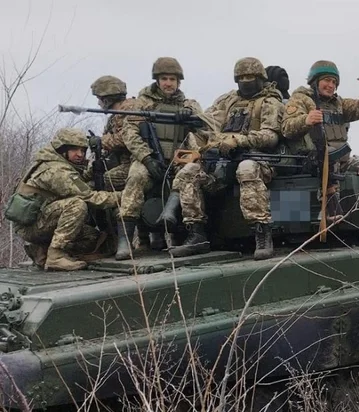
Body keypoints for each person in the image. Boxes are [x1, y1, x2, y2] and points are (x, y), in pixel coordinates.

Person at [166, 57, 284, 260]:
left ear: (260, 78)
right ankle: (196, 234)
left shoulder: (270, 102)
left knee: (246, 168)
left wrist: (238, 140)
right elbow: (208, 120)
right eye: (242, 78)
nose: (246, 81)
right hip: (222, 161)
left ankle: (262, 233)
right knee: (188, 172)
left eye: (250, 77)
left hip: (259, 160)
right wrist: (190, 114)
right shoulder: (228, 101)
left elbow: (270, 136)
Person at [280, 60, 359, 239]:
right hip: (313, 159)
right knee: (330, 160)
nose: (331, 85)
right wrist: (305, 120)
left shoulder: (338, 103)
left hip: (342, 158)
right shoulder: (301, 99)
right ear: (315, 81)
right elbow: (287, 128)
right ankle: (331, 214)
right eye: (327, 80)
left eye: (334, 82)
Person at [116, 57, 212, 260]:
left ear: (179, 82)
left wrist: (190, 117)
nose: (168, 83)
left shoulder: (189, 104)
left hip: (180, 158)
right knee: (136, 177)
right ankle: (125, 239)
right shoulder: (143, 104)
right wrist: (146, 158)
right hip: (149, 157)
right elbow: (129, 134)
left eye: (172, 79)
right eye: (164, 79)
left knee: (189, 174)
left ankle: (185, 226)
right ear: (157, 81)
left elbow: (206, 129)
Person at [8, 128, 121, 271]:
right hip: (31, 227)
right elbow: (89, 196)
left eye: (83, 150)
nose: (80, 154)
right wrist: (124, 196)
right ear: (62, 149)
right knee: (76, 205)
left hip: (37, 221)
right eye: (74, 150)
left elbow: (75, 182)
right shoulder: (55, 170)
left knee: (93, 238)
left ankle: (42, 250)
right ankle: (55, 256)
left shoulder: (53, 162)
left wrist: (92, 171)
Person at [89, 75, 140, 193]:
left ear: (107, 99)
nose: (98, 103)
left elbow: (126, 138)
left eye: (99, 99)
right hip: (121, 162)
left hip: (135, 163)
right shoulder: (114, 117)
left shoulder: (131, 110)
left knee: (104, 180)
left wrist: (101, 141)